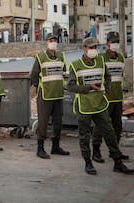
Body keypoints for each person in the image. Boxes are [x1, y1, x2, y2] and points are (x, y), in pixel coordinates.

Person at [67, 37, 133, 175]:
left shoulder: (101, 61)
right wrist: (88, 87)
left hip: (101, 105)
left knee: (109, 133)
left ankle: (117, 162)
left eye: (95, 47)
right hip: (85, 106)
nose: (93, 50)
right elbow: (70, 86)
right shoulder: (75, 65)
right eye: (90, 48)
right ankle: (88, 162)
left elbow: (107, 77)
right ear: (84, 49)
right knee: (84, 136)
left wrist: (107, 91)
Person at [91, 31, 129, 163]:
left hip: (117, 98)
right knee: (101, 126)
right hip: (105, 99)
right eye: (113, 42)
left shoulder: (120, 58)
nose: (115, 44)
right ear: (107, 43)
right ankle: (95, 151)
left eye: (117, 42)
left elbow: (121, 78)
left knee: (117, 127)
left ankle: (115, 151)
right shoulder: (101, 58)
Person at [30, 33, 70, 159]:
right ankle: (40, 148)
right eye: (51, 40)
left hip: (58, 94)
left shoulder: (61, 56)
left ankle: (55, 147)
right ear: (47, 42)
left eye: (55, 40)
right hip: (45, 95)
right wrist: (34, 88)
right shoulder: (41, 57)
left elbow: (63, 72)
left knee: (58, 122)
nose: (53, 42)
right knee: (43, 122)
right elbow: (34, 75)